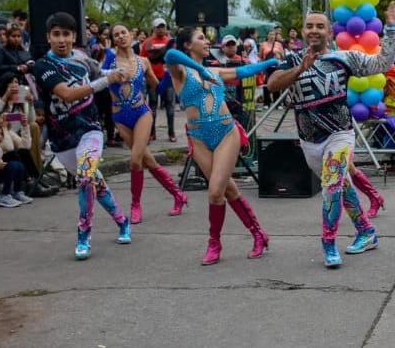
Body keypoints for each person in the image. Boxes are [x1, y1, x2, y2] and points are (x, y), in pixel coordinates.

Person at [265, 3, 395, 268]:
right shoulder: (291, 59)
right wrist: (299, 71)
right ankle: (366, 231)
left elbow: (383, 63)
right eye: (309, 26)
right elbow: (272, 84)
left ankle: (328, 243)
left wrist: (392, 29)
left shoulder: (343, 58)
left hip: (340, 134)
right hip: (309, 141)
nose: (314, 31)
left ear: (330, 32)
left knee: (331, 187)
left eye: (320, 26)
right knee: (341, 186)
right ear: (303, 31)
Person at [164, 29, 278, 265]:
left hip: (226, 133)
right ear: (187, 45)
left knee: (215, 191)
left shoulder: (216, 70)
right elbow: (171, 55)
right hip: (199, 138)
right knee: (229, 191)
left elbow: (245, 70)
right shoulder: (180, 72)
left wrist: (271, 62)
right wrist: (201, 70)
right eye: (200, 39)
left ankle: (214, 243)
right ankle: (259, 234)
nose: (206, 43)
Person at [33, 12, 131, 260]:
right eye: (56, 34)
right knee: (95, 183)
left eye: (66, 34)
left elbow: (100, 74)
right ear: (49, 37)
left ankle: (83, 234)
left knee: (86, 178)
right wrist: (106, 81)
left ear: (74, 36)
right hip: (62, 139)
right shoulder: (44, 66)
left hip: (89, 129)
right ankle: (122, 220)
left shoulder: (82, 59)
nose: (61, 40)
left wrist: (117, 73)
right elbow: (67, 94)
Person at [105, 23, 188, 224]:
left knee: (135, 160)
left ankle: (135, 205)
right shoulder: (109, 59)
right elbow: (99, 78)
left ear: (131, 34)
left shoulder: (143, 62)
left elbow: (157, 89)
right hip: (120, 117)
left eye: (123, 32)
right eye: (116, 35)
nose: (120, 37)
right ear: (113, 39)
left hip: (141, 113)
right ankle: (179, 195)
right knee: (148, 161)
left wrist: (170, 78)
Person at [140, 18, 176, 142]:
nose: (161, 29)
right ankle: (152, 133)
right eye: (158, 27)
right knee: (153, 106)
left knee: (170, 107)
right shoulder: (147, 42)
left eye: (163, 27)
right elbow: (142, 60)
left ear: (166, 28)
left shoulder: (171, 42)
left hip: (168, 78)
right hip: (152, 79)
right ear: (154, 28)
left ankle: (171, 133)